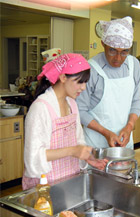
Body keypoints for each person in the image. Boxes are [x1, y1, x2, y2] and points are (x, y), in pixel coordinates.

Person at [22, 53, 108, 190]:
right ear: (63, 77)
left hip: (68, 180)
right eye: (79, 82)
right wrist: (73, 150)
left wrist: (86, 157)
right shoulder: (40, 108)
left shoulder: (72, 104)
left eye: (86, 82)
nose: (84, 88)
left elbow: (78, 141)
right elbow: (34, 156)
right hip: (44, 185)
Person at [77, 16, 140, 149]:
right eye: (112, 50)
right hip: (96, 145)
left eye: (124, 52)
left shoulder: (134, 65)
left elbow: (137, 100)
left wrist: (130, 125)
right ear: (103, 44)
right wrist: (105, 132)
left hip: (124, 143)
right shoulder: (91, 69)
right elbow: (80, 110)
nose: (118, 58)